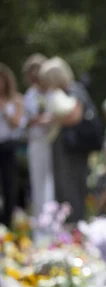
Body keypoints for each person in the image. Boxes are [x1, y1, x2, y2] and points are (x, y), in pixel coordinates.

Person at [38, 57, 93, 223]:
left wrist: (51, 120)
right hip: (64, 146)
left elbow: (75, 117)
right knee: (63, 187)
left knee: (72, 187)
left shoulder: (74, 91)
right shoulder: (65, 92)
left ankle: (74, 226)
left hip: (73, 148)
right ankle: (66, 224)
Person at [22, 54, 54, 219]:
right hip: (36, 143)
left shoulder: (53, 92)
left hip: (54, 143)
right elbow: (23, 123)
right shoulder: (29, 95)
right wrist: (33, 121)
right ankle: (39, 224)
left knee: (53, 183)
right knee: (38, 184)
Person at [0, 63, 24, 228]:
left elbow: (17, 122)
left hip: (8, 147)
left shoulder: (16, 100)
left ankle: (8, 221)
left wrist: (4, 109)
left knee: (9, 184)